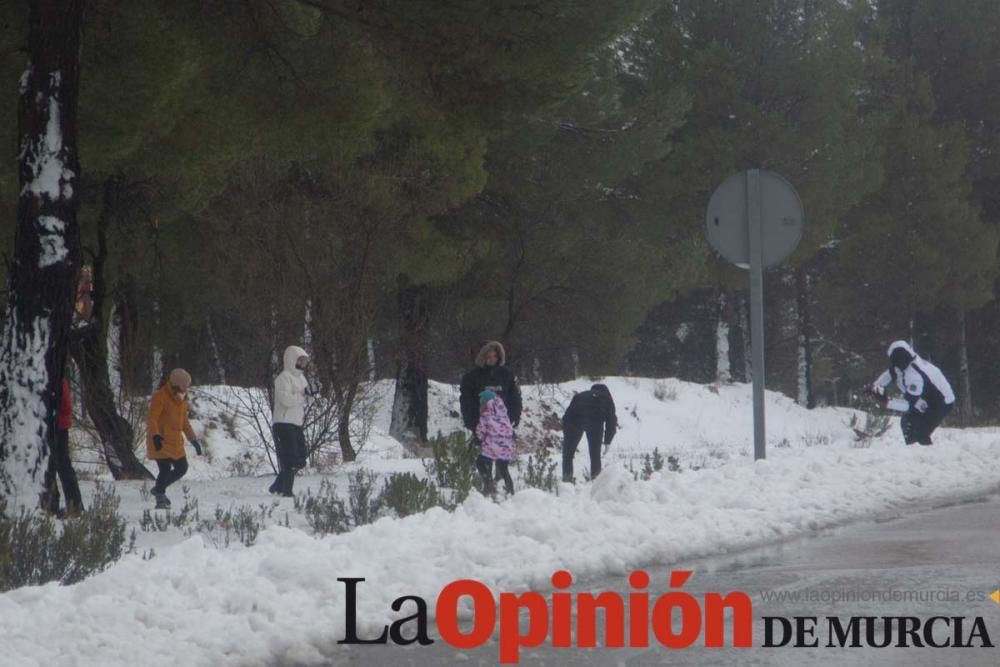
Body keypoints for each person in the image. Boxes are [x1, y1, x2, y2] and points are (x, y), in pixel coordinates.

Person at [872, 340, 955, 446]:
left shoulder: (914, 375)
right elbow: (890, 374)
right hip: (926, 399)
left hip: (941, 403)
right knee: (908, 422)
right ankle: (916, 450)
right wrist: (875, 387)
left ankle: (923, 454)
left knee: (919, 430)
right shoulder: (902, 365)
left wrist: (887, 402)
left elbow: (908, 405)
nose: (900, 362)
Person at [146, 368, 202, 509]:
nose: (186, 389)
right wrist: (155, 435)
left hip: (176, 442)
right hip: (160, 440)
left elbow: (185, 423)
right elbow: (152, 418)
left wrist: (193, 440)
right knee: (164, 469)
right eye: (184, 386)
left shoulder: (182, 400)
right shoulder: (161, 396)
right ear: (175, 384)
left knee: (182, 468)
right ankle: (160, 497)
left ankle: (159, 487)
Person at [269, 345, 310, 497]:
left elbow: (306, 396)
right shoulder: (283, 378)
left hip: (296, 422)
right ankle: (286, 490)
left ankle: (277, 485)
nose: (302, 363)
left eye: (304, 361)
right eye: (299, 360)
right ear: (291, 359)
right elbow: (285, 400)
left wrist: (312, 391)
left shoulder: (302, 378)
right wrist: (303, 394)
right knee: (290, 458)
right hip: (283, 422)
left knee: (301, 458)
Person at [40, 378, 84, 517]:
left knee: (53, 466)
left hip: (55, 426)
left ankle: (56, 506)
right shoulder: (57, 376)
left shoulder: (53, 378)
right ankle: (70, 505)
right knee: (55, 466)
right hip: (57, 425)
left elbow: (66, 406)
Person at [459, 341, 522, 433]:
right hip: (481, 425)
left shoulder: (507, 375)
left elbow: (514, 397)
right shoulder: (471, 376)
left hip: (504, 426)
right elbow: (466, 400)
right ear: (483, 357)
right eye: (489, 357)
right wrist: (471, 423)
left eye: (495, 356)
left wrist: (514, 416)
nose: (492, 359)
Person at [561, 383, 617, 482]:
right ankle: (595, 480)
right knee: (595, 454)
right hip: (595, 420)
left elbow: (566, 417)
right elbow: (611, 422)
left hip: (574, 419)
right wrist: (607, 441)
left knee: (567, 455)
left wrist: (567, 437)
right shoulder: (606, 398)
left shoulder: (580, 395)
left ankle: (567, 480)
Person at [475, 390, 515, 496]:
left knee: (481, 462)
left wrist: (479, 436)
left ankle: (488, 484)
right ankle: (510, 490)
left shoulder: (486, 415)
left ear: (485, 403)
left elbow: (481, 433)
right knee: (503, 469)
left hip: (492, 446)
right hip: (506, 447)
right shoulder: (504, 414)